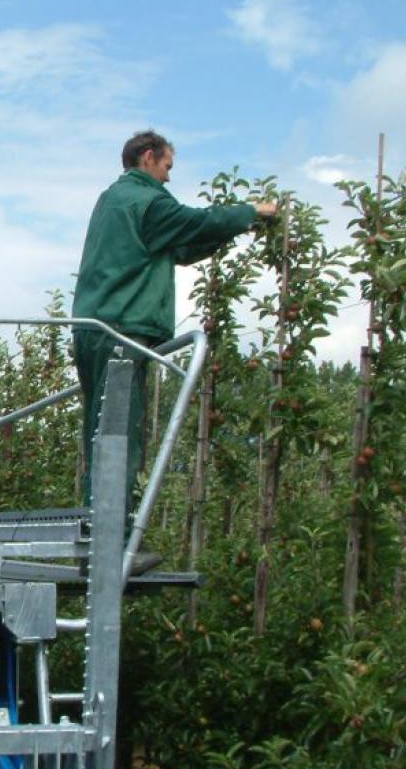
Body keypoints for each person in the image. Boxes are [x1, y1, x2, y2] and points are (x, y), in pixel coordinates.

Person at [73, 131, 276, 571]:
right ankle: (111, 544)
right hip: (122, 330)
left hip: (94, 325)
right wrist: (249, 213)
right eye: (166, 167)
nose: (167, 177)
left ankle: (98, 532)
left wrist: (229, 231)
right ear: (149, 158)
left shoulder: (114, 200)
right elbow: (190, 222)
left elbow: (180, 244)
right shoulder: (148, 200)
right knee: (120, 436)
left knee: (99, 432)